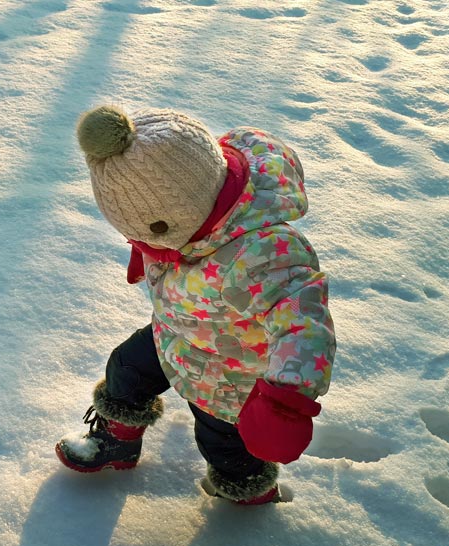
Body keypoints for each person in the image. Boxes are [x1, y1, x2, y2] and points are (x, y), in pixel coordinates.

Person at [55, 106, 336, 505]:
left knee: (222, 442)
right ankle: (118, 441)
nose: (143, 246)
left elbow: (303, 325)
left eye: (147, 235)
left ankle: (248, 493)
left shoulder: (261, 255)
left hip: (230, 371)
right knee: (125, 369)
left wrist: (285, 402)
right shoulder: (185, 206)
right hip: (175, 333)